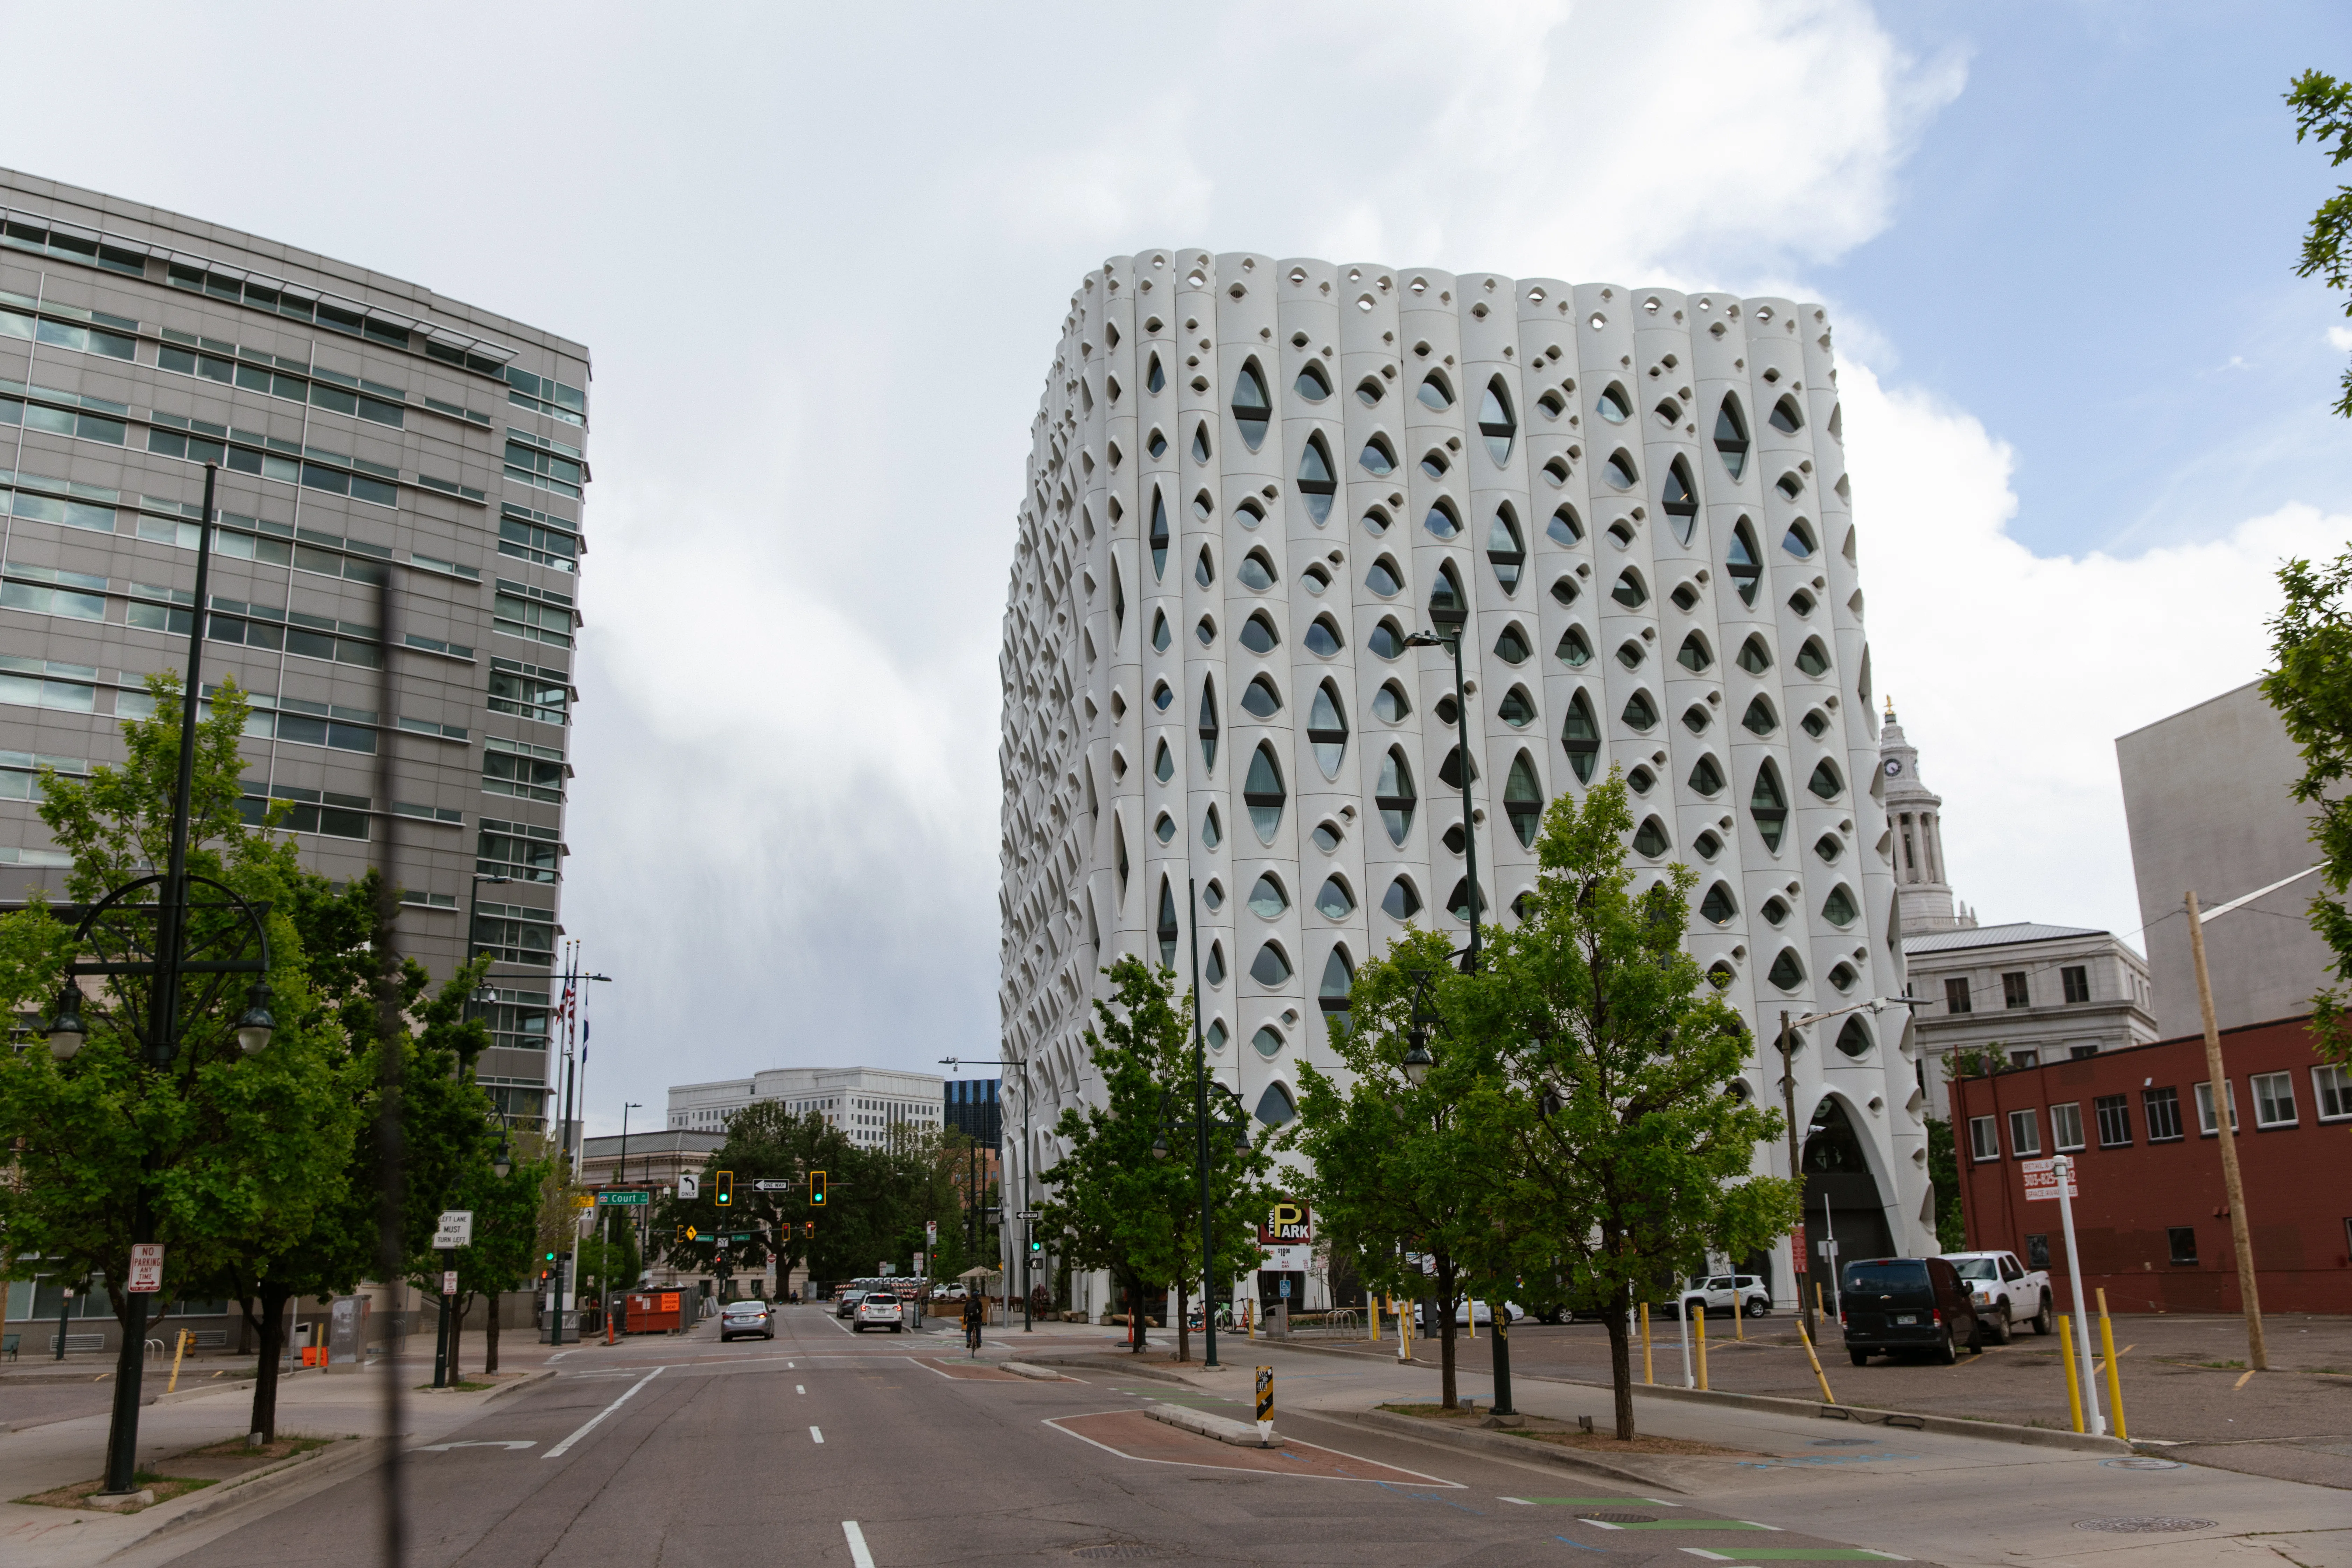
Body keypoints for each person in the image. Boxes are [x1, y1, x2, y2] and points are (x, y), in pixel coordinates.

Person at [961, 1289, 985, 1354]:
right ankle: (979, 1342)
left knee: (969, 1331)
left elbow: (966, 1313)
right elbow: (981, 1311)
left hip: (970, 1320)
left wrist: (965, 1321)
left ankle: (969, 1341)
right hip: (978, 1320)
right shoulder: (979, 1303)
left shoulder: (968, 1304)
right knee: (978, 1330)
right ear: (977, 1297)